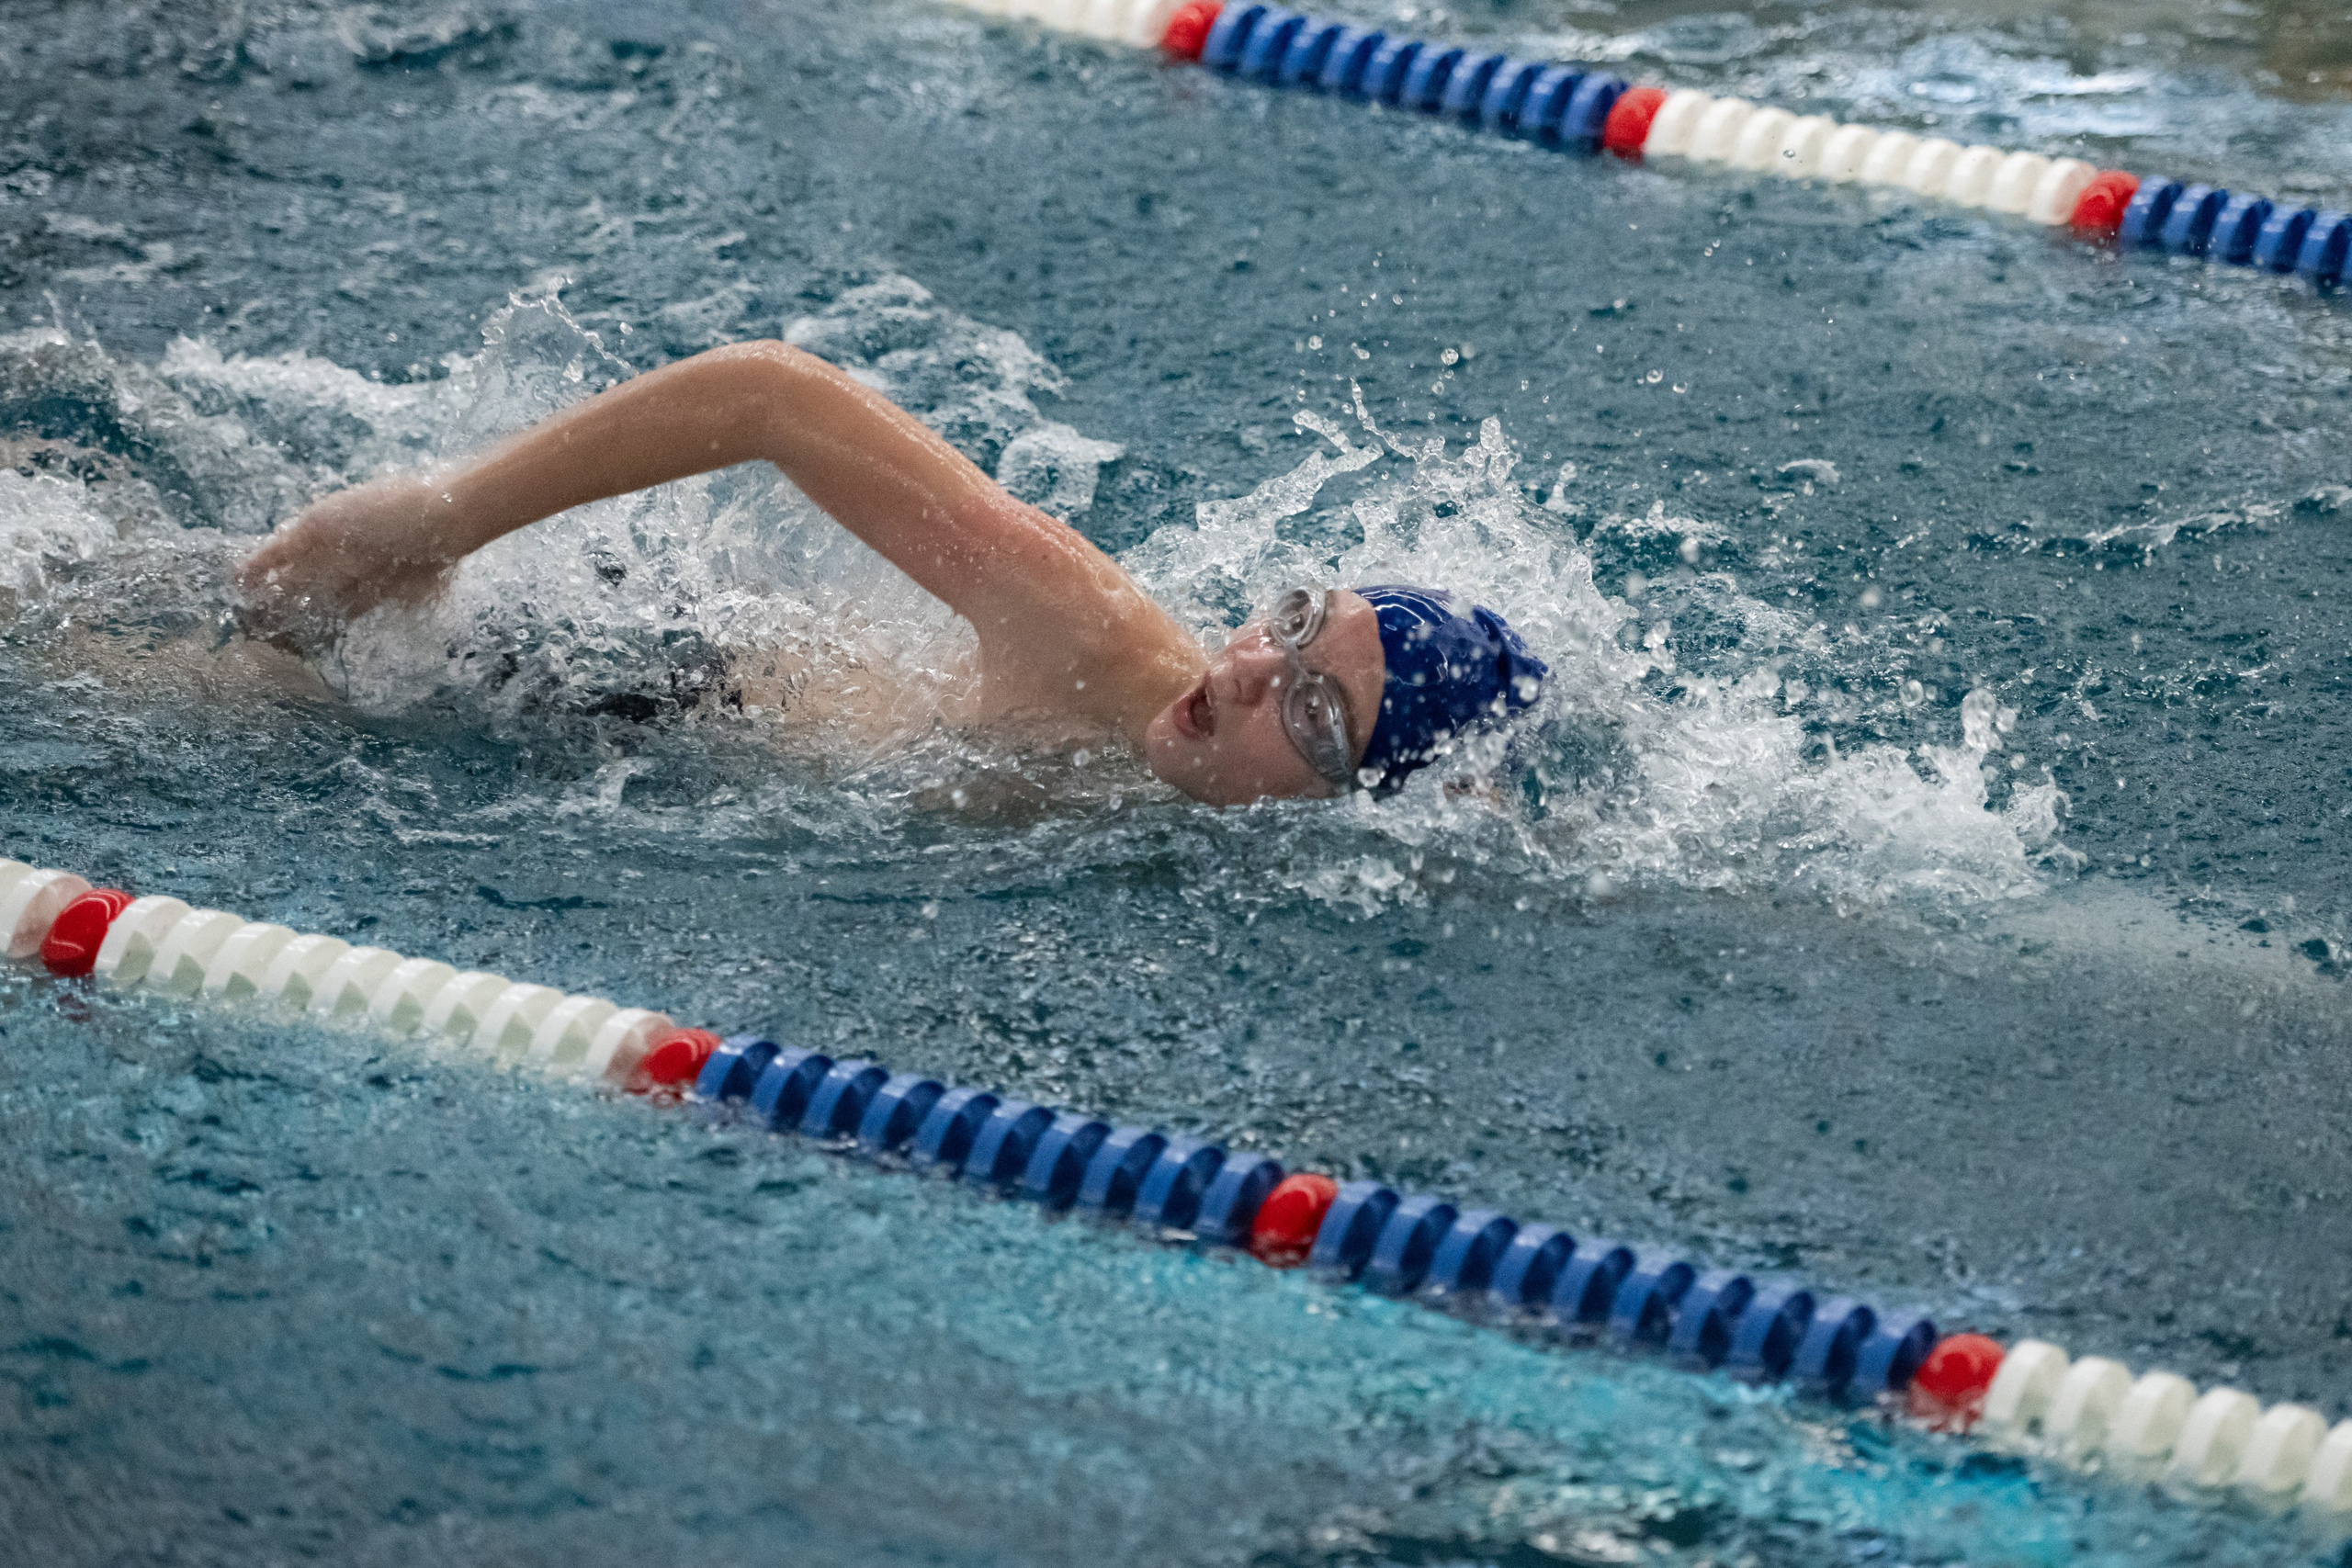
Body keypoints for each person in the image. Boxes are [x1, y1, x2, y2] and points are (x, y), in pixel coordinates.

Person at [236, 339, 1545, 805]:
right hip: (603, 680)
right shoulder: (1093, 639)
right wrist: (442, 518)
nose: (1252, 669)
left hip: (617, 750)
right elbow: (769, 396)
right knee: (146, 657)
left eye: (1315, 710)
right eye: (1291, 624)